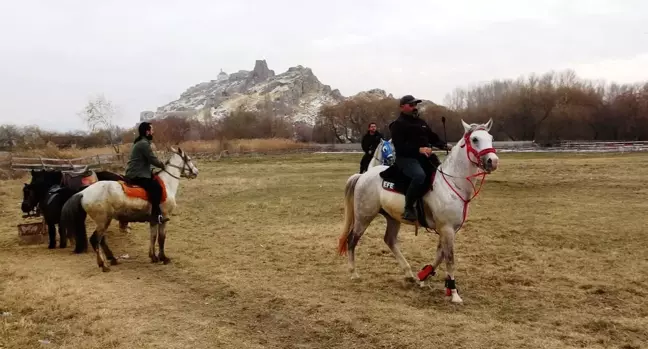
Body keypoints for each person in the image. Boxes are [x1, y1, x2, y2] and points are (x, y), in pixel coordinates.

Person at [389, 95, 452, 222]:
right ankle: (408, 208)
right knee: (419, 176)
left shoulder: (421, 122)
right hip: (406, 159)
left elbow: (432, 137)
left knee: (441, 173)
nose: (414, 107)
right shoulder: (397, 125)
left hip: (424, 158)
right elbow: (400, 147)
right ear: (402, 107)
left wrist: (444, 145)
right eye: (411, 105)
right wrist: (419, 150)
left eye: (415, 105)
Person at [124, 122, 169, 224]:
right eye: (152, 130)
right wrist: (163, 165)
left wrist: (152, 169)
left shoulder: (140, 142)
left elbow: (146, 161)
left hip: (137, 171)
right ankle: (155, 215)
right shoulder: (143, 144)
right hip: (137, 174)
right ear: (147, 132)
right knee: (157, 188)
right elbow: (152, 159)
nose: (153, 132)